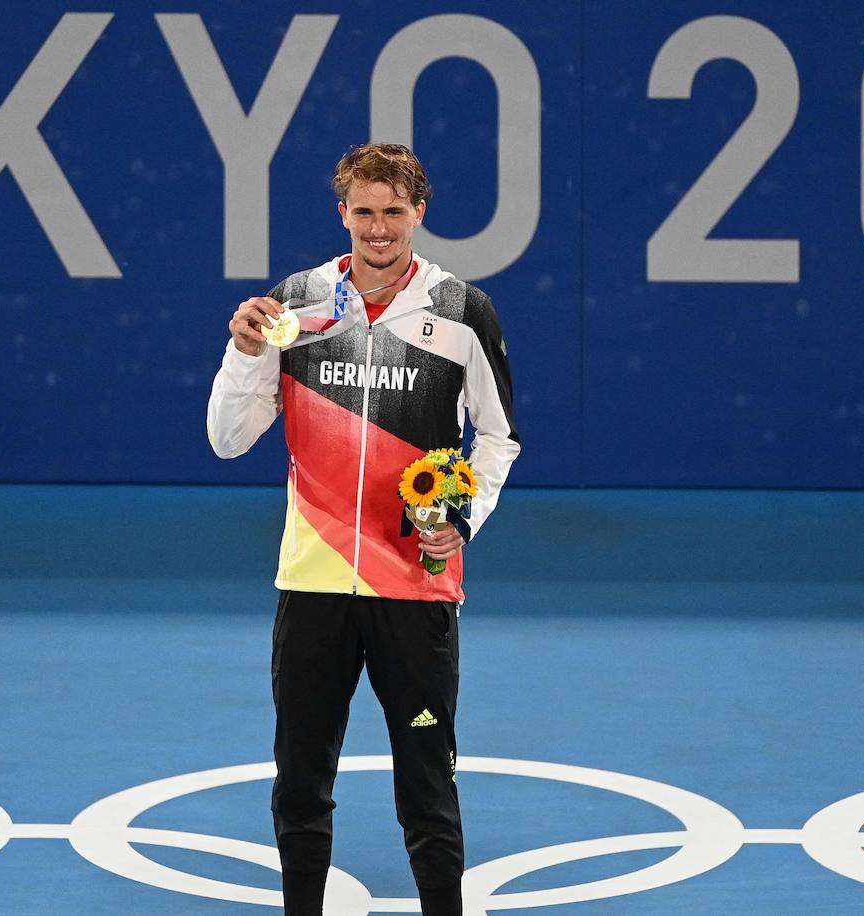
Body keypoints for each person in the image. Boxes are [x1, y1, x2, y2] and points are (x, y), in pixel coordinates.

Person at [206, 143, 520, 916]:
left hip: (414, 585)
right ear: (341, 212)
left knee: (427, 784)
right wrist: (246, 354)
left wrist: (461, 520)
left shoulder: (462, 312)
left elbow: (498, 436)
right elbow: (227, 437)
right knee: (301, 780)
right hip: (311, 581)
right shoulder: (296, 305)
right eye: (364, 212)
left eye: (393, 212)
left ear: (420, 211)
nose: (378, 229)